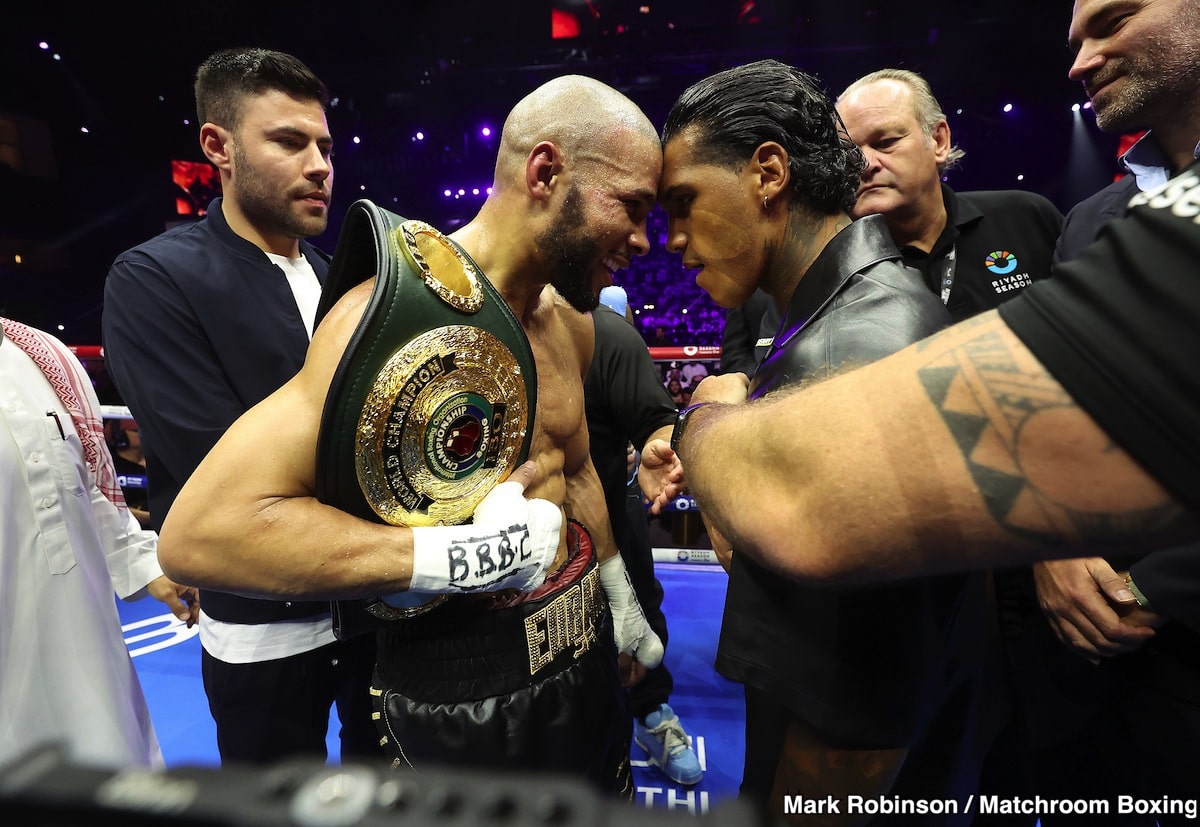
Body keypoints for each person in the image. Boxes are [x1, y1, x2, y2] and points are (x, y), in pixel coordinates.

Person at [156, 74, 666, 795]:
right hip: (452, 695)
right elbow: (202, 531)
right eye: (632, 207)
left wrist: (617, 597)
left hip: (578, 661)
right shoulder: (389, 316)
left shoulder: (571, 319)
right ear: (546, 172)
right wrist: (461, 556)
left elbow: (576, 469)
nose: (645, 240)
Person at [654, 59, 989, 823]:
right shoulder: (840, 316)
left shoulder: (849, 354)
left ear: (768, 172)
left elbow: (857, 730)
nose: (671, 240)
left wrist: (711, 418)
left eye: (684, 202)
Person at [647, 156, 1200, 586]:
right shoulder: (1107, 220)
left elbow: (810, 504)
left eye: (1115, 19)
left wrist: (704, 410)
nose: (1080, 61)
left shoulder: (1016, 227)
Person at [101, 47, 382, 766]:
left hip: (375, 604)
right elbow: (218, 471)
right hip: (263, 625)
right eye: (289, 141)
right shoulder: (154, 279)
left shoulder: (342, 281)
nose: (321, 164)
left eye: (324, 144)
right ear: (217, 147)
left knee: (389, 797)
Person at [993, 1, 1200, 819]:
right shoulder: (1086, 223)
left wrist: (1159, 588)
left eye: (1112, 20)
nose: (1080, 61)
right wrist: (1048, 542)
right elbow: (1051, 412)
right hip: (1092, 682)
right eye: (1076, 39)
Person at [0, 316, 199, 771]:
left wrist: (145, 562)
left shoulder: (40, 355)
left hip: (87, 642)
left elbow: (87, 482)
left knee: (111, 771)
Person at [835, 68, 1062, 323]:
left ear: (939, 141)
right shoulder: (836, 271)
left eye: (885, 142)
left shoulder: (1025, 217)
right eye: (848, 153)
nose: (864, 165)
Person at [588, 285, 702, 786]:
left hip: (615, 503)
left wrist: (653, 445)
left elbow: (656, 419)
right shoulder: (491, 330)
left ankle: (651, 711)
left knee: (641, 610)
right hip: (531, 521)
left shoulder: (610, 330)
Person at [103, 416, 151, 528]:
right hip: (129, 530)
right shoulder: (110, 469)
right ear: (120, 436)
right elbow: (111, 509)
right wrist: (152, 517)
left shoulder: (157, 464)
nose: (143, 434)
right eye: (136, 431)